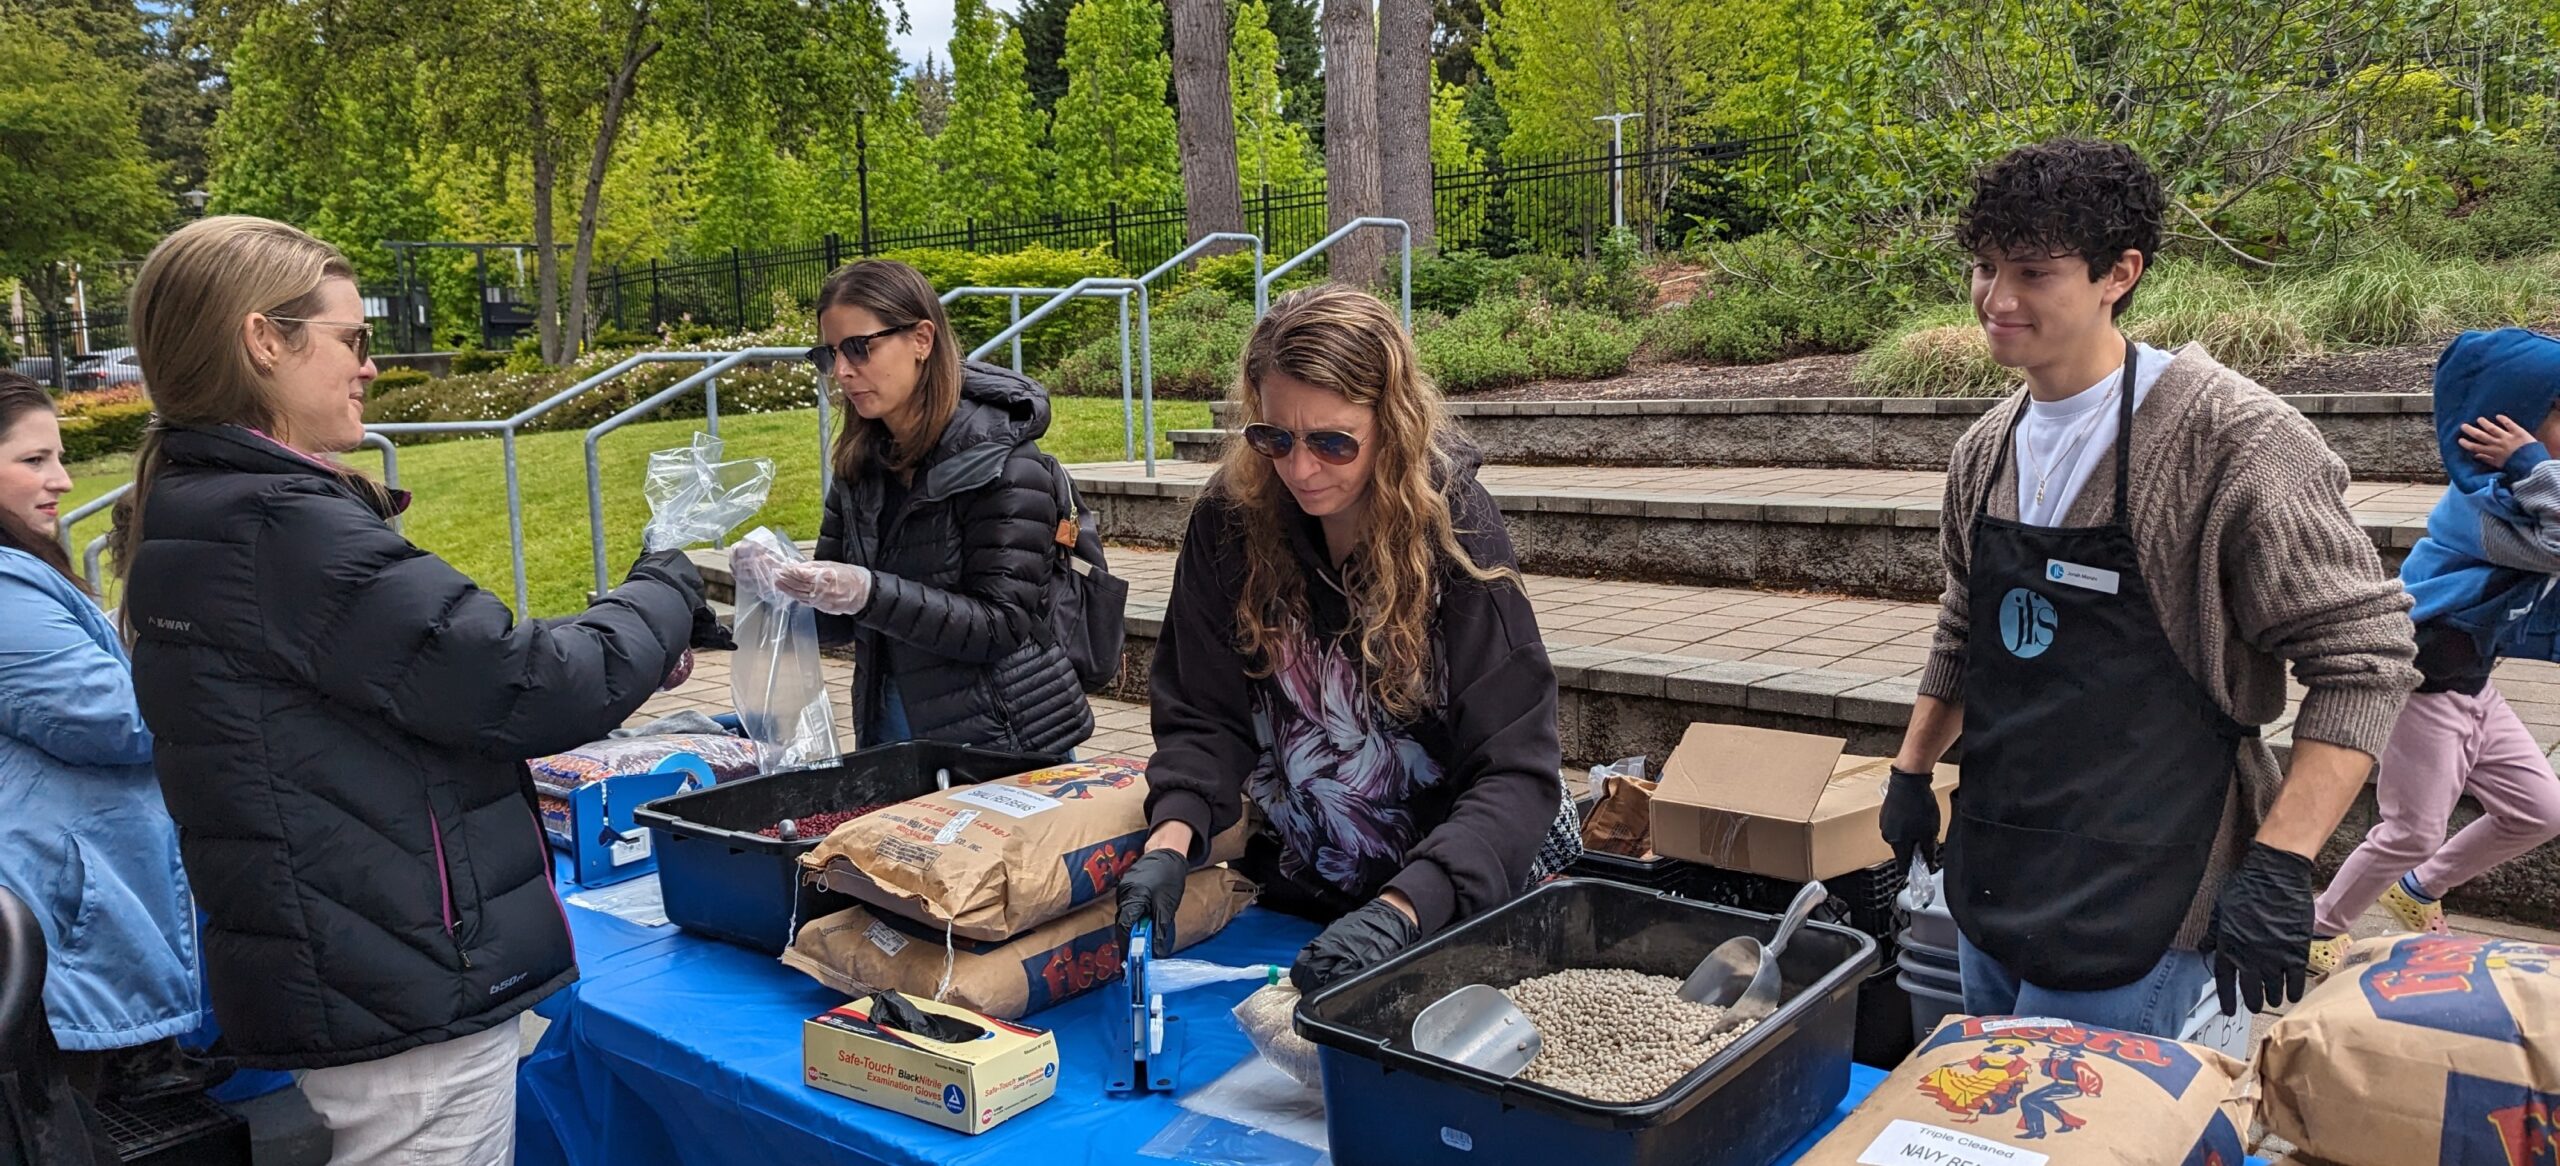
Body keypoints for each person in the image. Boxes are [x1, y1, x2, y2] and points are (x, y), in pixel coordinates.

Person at [117, 216, 724, 1165]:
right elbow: (533, 683)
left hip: (354, 967)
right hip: (399, 986)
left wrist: (638, 635)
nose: (370, 366)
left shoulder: (213, 513)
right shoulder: (282, 528)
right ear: (262, 340)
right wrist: (667, 585)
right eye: (353, 340)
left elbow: (441, 668)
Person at [1874, 139, 2420, 1036]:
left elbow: (2366, 662)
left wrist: (2282, 859)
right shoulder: (1986, 448)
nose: (1997, 300)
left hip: (2146, 879)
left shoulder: (2233, 441)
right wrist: (1911, 769)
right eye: (1982, 267)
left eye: (2034, 272)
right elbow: (1965, 623)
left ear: (2117, 274)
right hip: (1998, 858)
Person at [1114, 285, 1579, 994]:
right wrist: (1172, 838)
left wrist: (1402, 909)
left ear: (1390, 424)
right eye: (1275, 439)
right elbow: (1203, 716)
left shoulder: (1454, 527)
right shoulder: (1228, 522)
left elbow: (1517, 770)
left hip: (1460, 898)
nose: (1300, 470)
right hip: (1316, 885)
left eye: (1332, 443)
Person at [734, 258, 1091, 755]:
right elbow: (840, 619)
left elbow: (1000, 626)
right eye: (829, 354)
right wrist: (779, 585)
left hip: (1002, 745)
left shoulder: (1006, 465)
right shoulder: (860, 465)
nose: (842, 371)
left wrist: (867, 591)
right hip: (892, 731)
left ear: (922, 339)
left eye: (860, 348)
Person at [2309, 329, 2560, 973]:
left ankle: (2418, 887)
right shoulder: (2482, 512)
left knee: (2541, 810)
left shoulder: (2524, 497)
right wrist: (2533, 459)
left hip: (2473, 683)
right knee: (2412, 830)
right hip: (2419, 681)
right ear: (2502, 426)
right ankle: (2317, 929)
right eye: (2558, 415)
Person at [0, 374, 206, 1129]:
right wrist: (212, 662)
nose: (61, 479)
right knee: (60, 1121)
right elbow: (114, 716)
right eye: (33, 460)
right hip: (53, 900)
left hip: (62, 895)